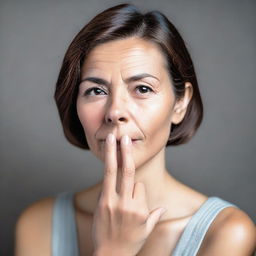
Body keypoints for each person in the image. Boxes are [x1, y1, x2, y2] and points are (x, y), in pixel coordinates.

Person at [14, 3, 256, 256]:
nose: (114, 112)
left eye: (142, 88)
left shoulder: (226, 232)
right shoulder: (40, 223)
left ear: (180, 103)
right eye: (96, 91)